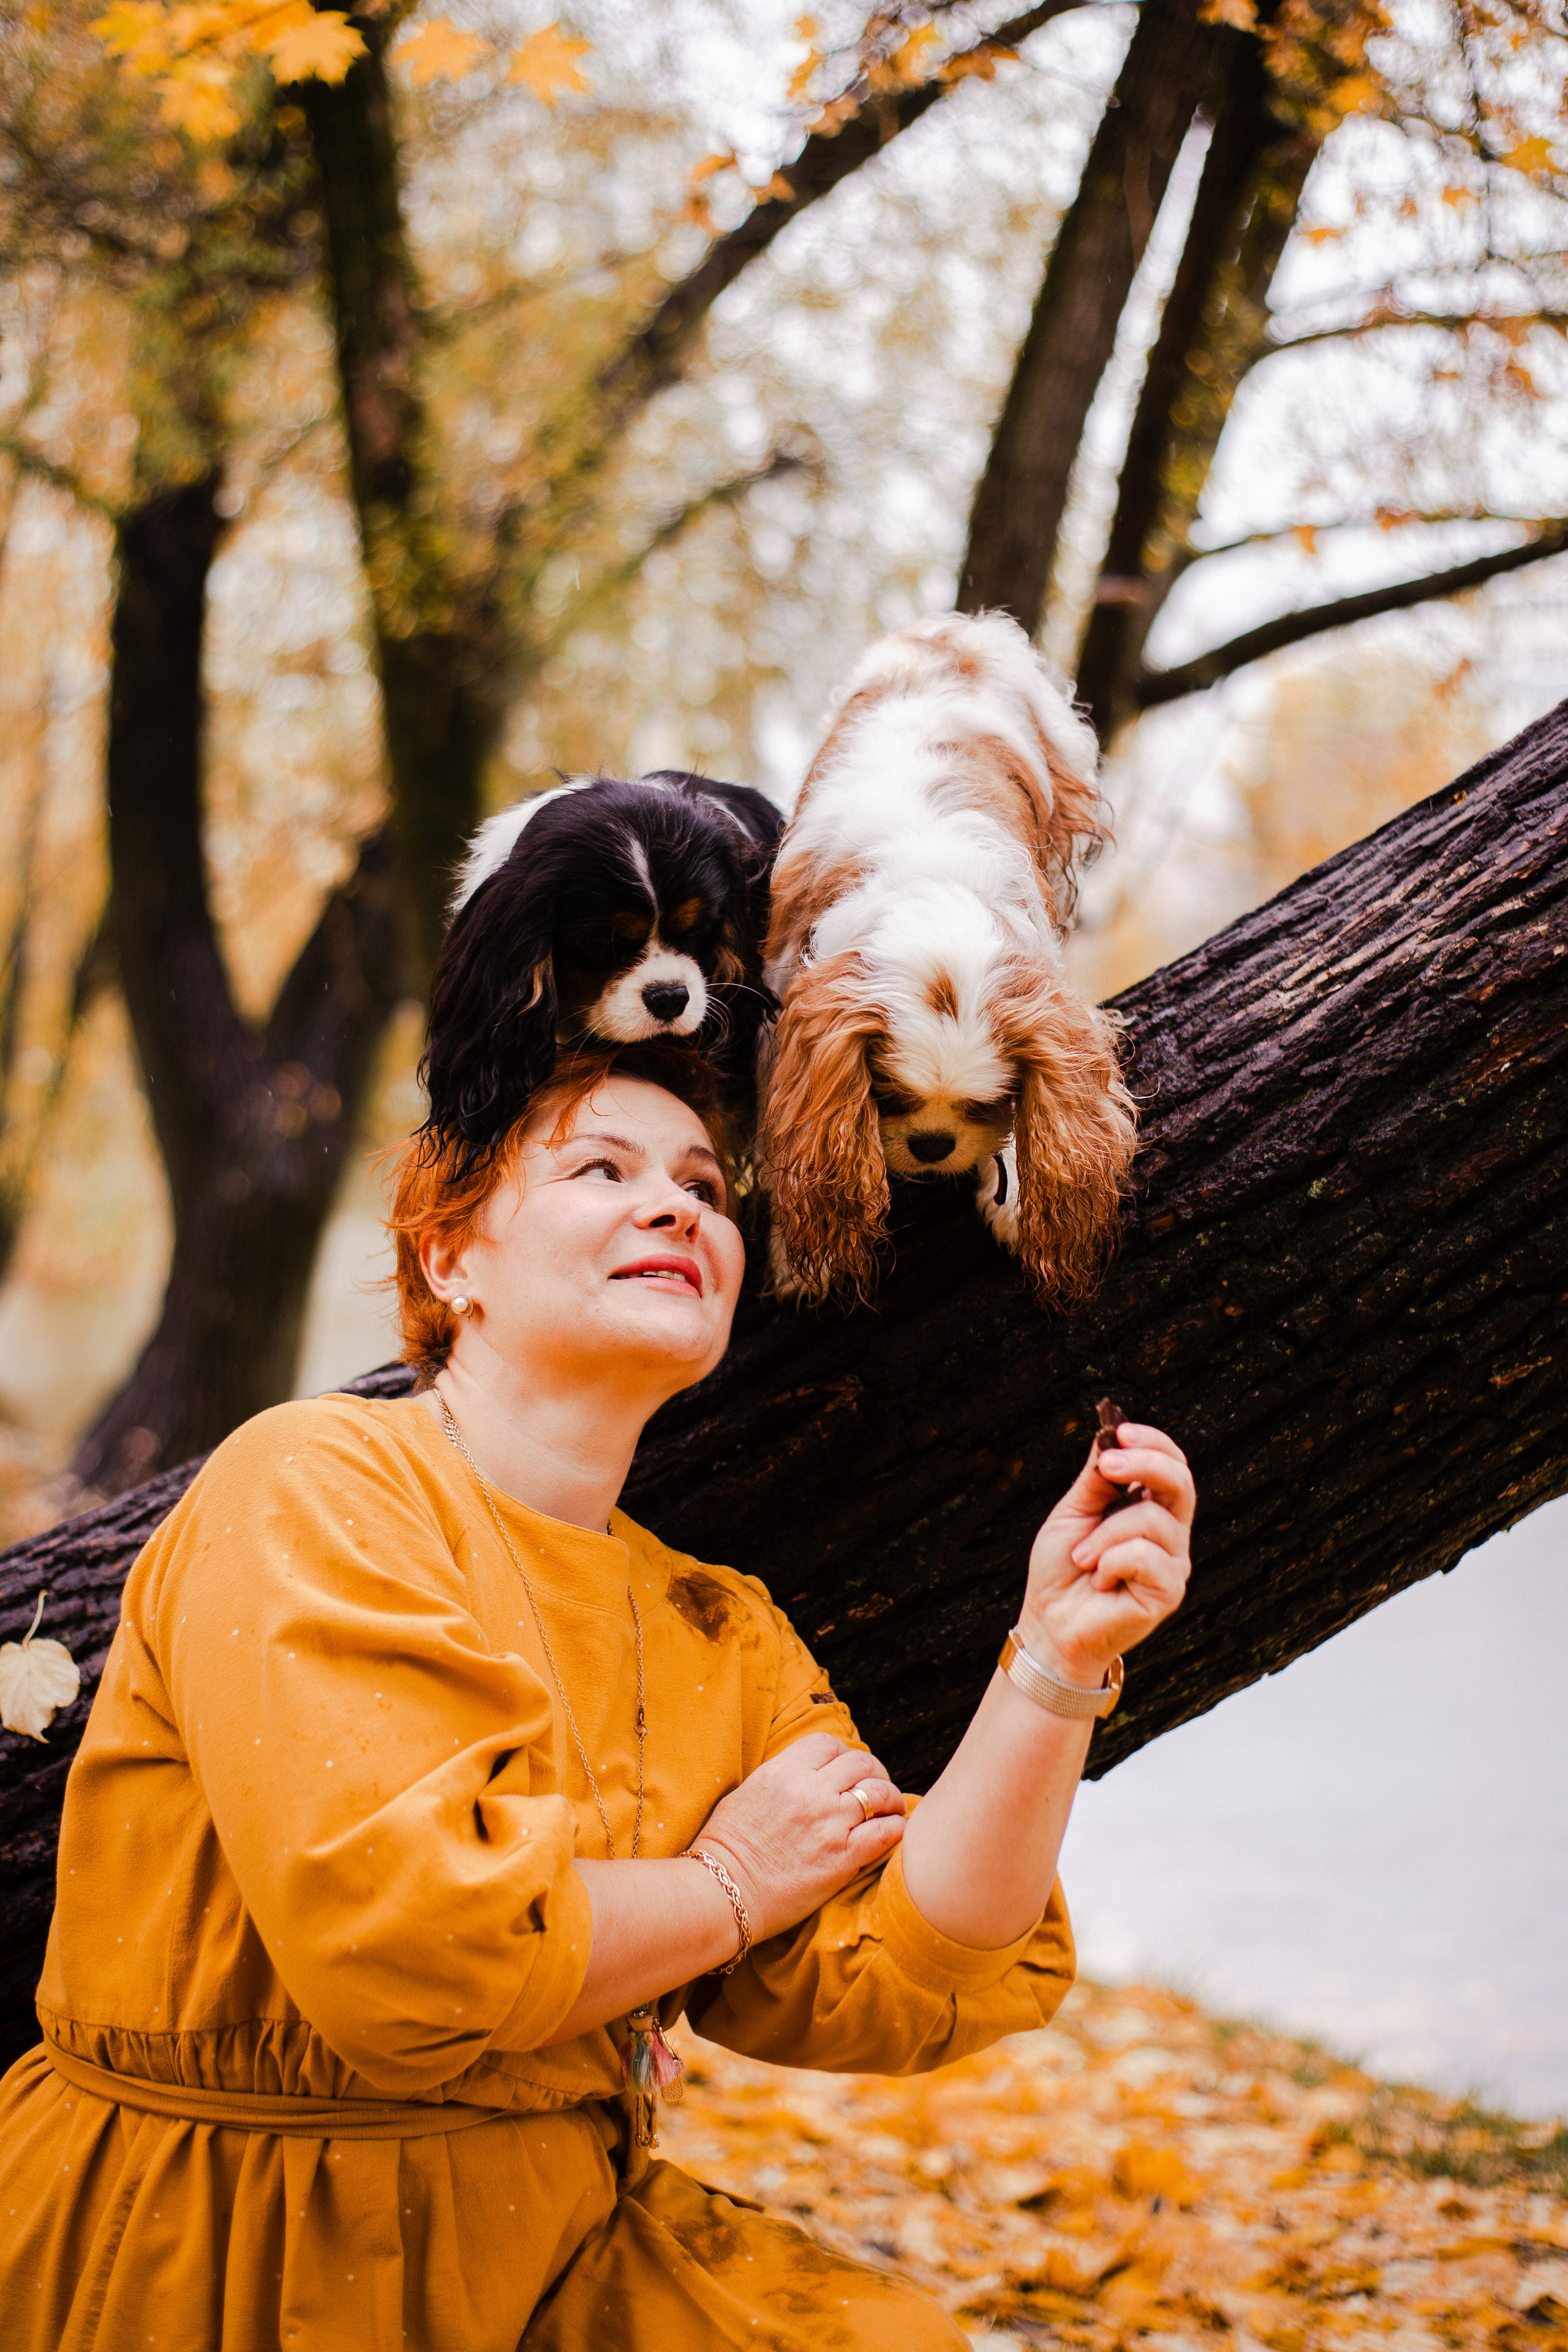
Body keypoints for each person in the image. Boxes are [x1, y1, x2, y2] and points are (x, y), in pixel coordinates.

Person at [0, 1043, 1195, 2352]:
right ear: (449, 1259)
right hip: (222, 2243)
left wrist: (1055, 1660)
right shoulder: (311, 1484)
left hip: (552, 2245)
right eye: (602, 1169)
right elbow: (414, 1957)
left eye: (702, 1186)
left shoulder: (715, 1621)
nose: (679, 1205)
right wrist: (727, 1888)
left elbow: (899, 1975)